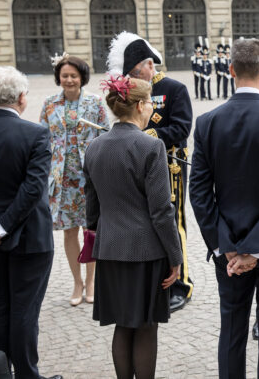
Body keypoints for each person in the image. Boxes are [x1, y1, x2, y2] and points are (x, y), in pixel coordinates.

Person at [189, 38, 259, 379]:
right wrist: (257, 248)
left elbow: (198, 192)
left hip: (229, 248)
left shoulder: (207, 122)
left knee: (233, 332)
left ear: (230, 70)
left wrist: (227, 245)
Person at [0, 66, 61, 379]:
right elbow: (33, 189)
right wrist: (0, 228)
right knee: (23, 310)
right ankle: (27, 375)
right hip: (29, 237)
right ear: (21, 98)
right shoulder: (35, 133)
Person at [84, 75, 182, 379]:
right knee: (145, 325)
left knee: (123, 324)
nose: (151, 106)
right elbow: (161, 212)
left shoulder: (94, 147)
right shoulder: (151, 146)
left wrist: (99, 238)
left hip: (110, 247)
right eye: (150, 101)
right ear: (140, 106)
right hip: (145, 249)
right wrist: (176, 257)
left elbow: (92, 208)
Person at [107, 31, 194, 313]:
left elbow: (181, 129)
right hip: (139, 164)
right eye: (129, 73)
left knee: (173, 221)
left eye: (135, 71)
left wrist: (148, 135)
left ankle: (181, 284)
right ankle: (159, 275)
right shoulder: (132, 92)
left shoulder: (174, 89)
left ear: (148, 64)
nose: (133, 77)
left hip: (170, 164)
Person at [39, 54, 108, 306]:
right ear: (59, 78)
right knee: (70, 233)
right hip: (62, 178)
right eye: (64, 75)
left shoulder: (95, 102)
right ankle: (76, 282)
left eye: (73, 76)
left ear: (82, 78)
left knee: (91, 231)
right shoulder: (49, 104)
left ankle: (91, 281)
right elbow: (42, 140)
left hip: (89, 178)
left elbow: (106, 135)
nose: (68, 80)